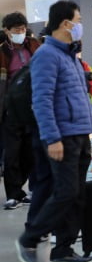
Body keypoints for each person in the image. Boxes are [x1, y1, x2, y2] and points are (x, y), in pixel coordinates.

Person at [16, 0, 92, 262]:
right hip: (63, 136)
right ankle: (30, 237)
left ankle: (63, 249)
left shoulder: (70, 56)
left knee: (75, 195)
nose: (81, 25)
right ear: (65, 24)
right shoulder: (47, 55)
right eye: (79, 20)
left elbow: (78, 96)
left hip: (80, 134)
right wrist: (52, 138)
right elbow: (42, 100)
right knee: (65, 193)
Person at [1, 12, 40, 210]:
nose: (21, 32)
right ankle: (13, 193)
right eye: (17, 30)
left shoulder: (34, 46)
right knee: (12, 153)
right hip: (11, 108)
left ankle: (21, 190)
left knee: (30, 152)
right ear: (7, 31)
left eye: (23, 29)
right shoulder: (2, 52)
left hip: (34, 106)